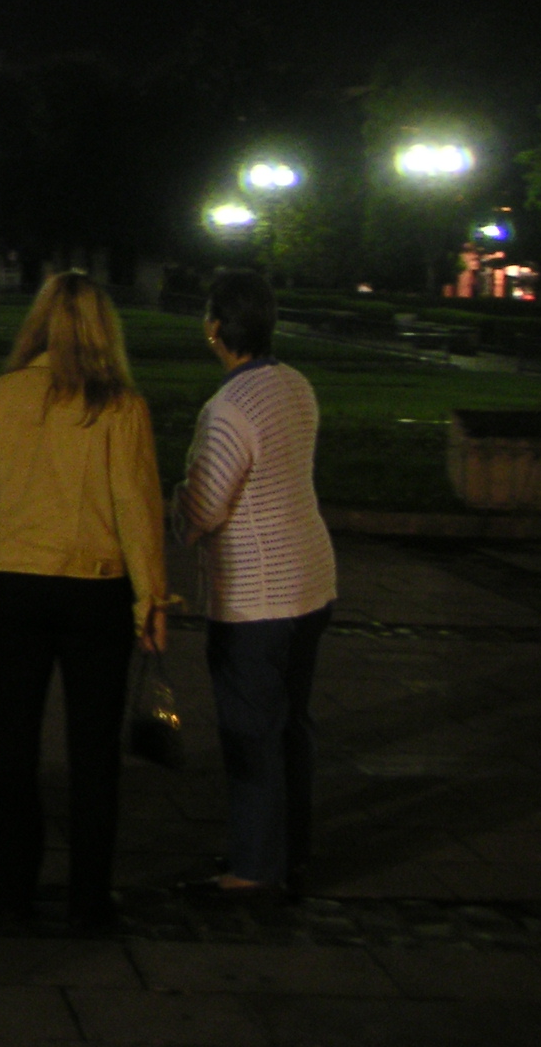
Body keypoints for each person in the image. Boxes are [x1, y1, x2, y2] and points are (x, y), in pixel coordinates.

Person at [0, 271, 167, 927]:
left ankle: (10, 891)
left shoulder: (0, 397)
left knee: (13, 746)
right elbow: (137, 510)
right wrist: (151, 603)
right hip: (94, 590)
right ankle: (88, 898)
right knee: (93, 754)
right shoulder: (119, 406)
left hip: (17, 586)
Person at [177, 270, 337, 897]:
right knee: (292, 725)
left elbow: (205, 506)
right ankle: (289, 849)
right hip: (311, 579)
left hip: (256, 593)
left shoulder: (228, 409)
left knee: (251, 732)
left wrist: (176, 503)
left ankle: (253, 865)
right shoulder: (295, 385)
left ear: (216, 328)